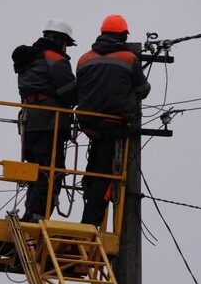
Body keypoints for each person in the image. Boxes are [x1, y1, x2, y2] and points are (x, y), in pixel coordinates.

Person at [76, 14, 151, 227]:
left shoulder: (84, 59)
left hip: (89, 124)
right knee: (106, 176)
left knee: (95, 165)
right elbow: (143, 90)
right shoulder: (129, 59)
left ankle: (88, 193)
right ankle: (90, 222)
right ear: (123, 36)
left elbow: (80, 88)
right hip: (115, 125)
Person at [11, 18, 78, 222]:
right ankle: (36, 215)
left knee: (35, 170)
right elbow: (69, 94)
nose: (66, 48)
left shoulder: (28, 59)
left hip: (29, 122)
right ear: (61, 41)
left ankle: (31, 212)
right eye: (66, 44)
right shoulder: (56, 60)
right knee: (51, 171)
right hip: (49, 123)